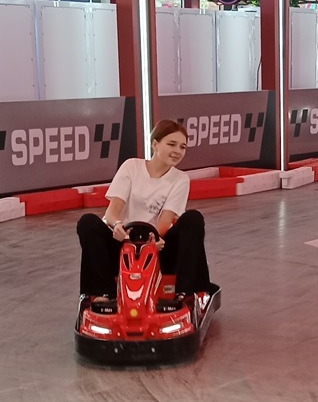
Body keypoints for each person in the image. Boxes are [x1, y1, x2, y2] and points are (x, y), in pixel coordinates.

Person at [76, 119, 214, 300]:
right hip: (122, 244)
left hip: (156, 246)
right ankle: (101, 293)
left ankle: (187, 293)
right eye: (171, 144)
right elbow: (112, 212)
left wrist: (151, 242)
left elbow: (165, 221)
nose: (177, 151)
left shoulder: (180, 179)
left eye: (182, 147)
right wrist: (117, 226)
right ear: (155, 144)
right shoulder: (131, 166)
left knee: (193, 218)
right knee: (87, 222)